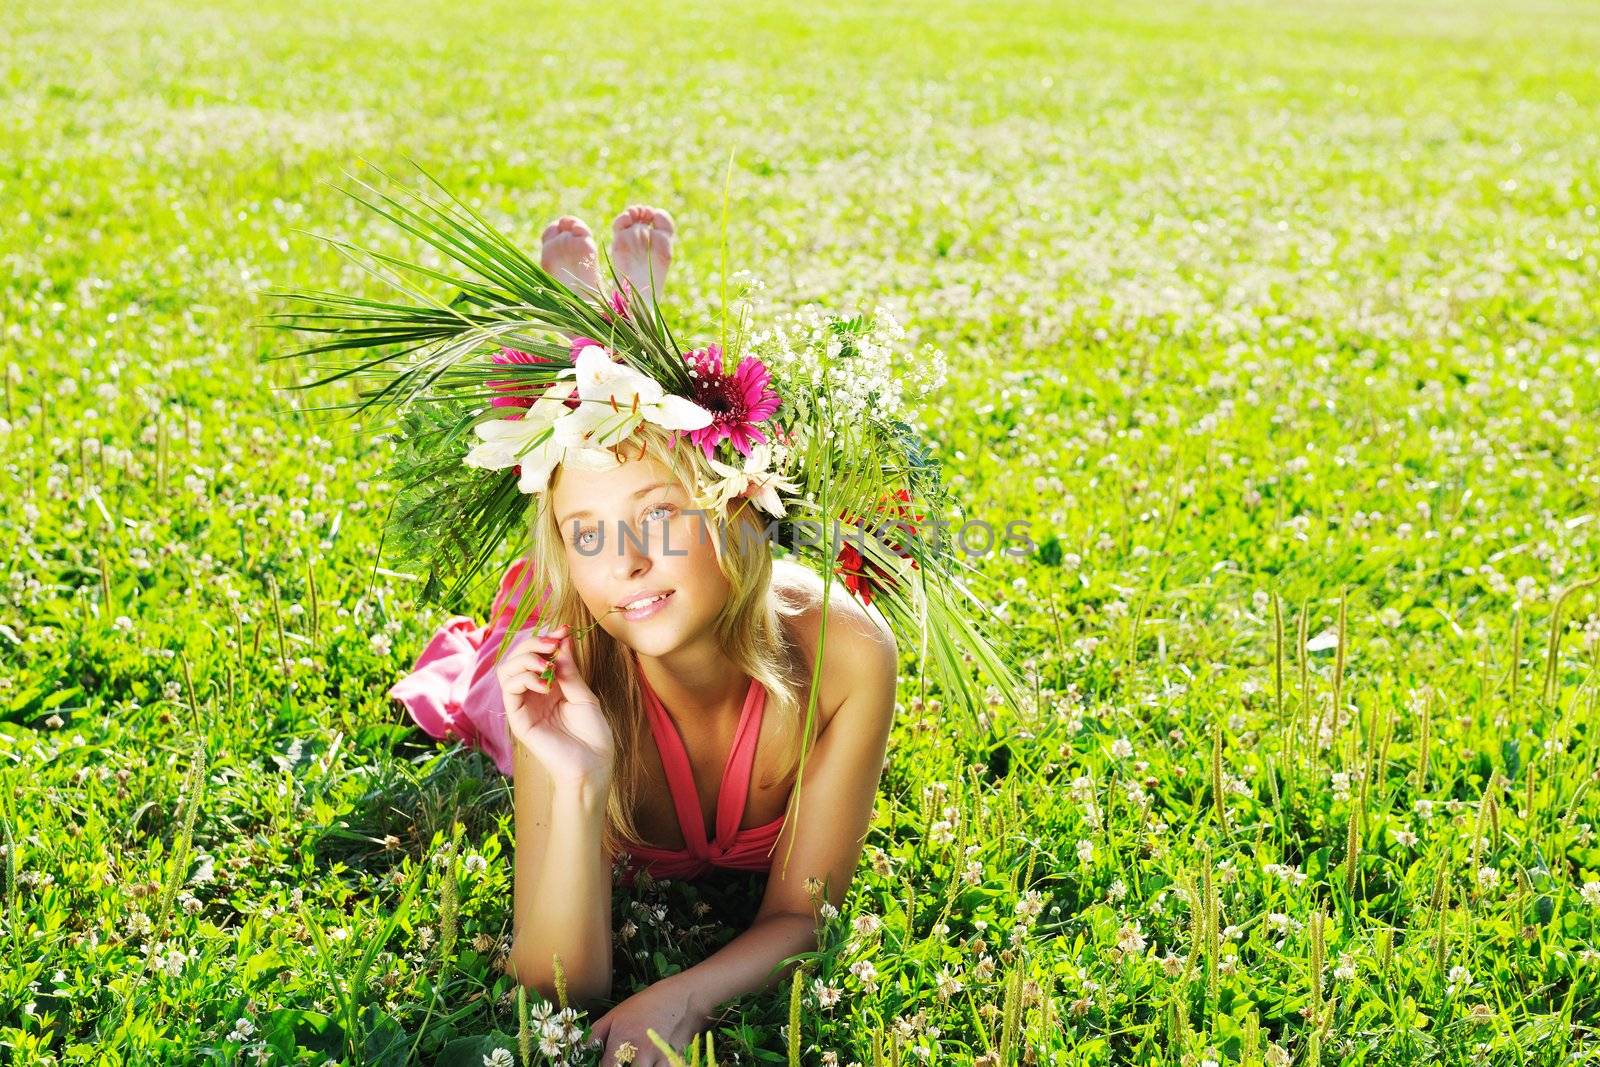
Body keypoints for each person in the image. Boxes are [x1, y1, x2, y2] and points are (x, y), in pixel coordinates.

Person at [392, 206, 901, 1066]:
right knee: (503, 683)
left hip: (744, 579)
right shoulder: (570, 661)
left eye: (659, 515)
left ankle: (619, 327)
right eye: (586, 532)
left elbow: (803, 913)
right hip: (568, 636)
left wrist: (689, 992)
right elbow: (558, 982)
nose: (625, 561)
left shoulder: (846, 655)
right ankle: (585, 326)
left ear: (737, 506)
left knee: (627, 448)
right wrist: (580, 779)